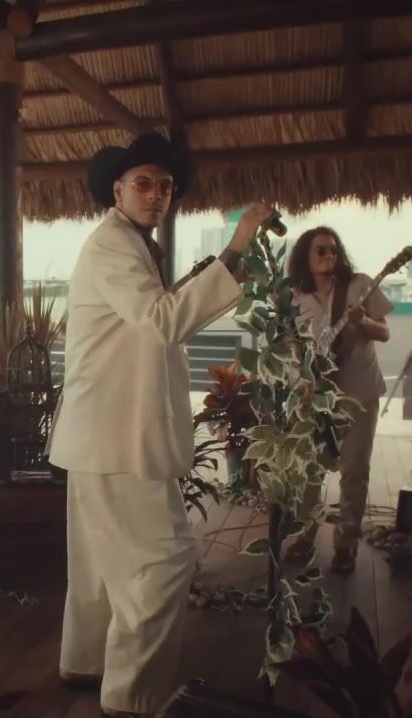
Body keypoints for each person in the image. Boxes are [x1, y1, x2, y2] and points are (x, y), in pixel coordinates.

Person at [48, 131, 273, 717]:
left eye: (165, 186)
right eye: (143, 183)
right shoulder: (113, 244)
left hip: (98, 435)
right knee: (164, 561)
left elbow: (151, 321)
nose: (155, 194)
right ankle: (133, 697)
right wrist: (235, 249)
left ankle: (85, 663)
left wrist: (221, 270)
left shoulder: (125, 244)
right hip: (119, 439)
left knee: (98, 565)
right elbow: (163, 321)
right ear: (117, 190)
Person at [282, 227, 392, 574]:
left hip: (359, 392)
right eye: (320, 250)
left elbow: (384, 331)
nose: (329, 255)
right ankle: (305, 536)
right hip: (315, 397)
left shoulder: (360, 285)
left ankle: (346, 544)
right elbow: (289, 346)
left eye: (333, 249)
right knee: (310, 471)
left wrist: (365, 323)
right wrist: (301, 380)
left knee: (355, 470)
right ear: (305, 256)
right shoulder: (294, 296)